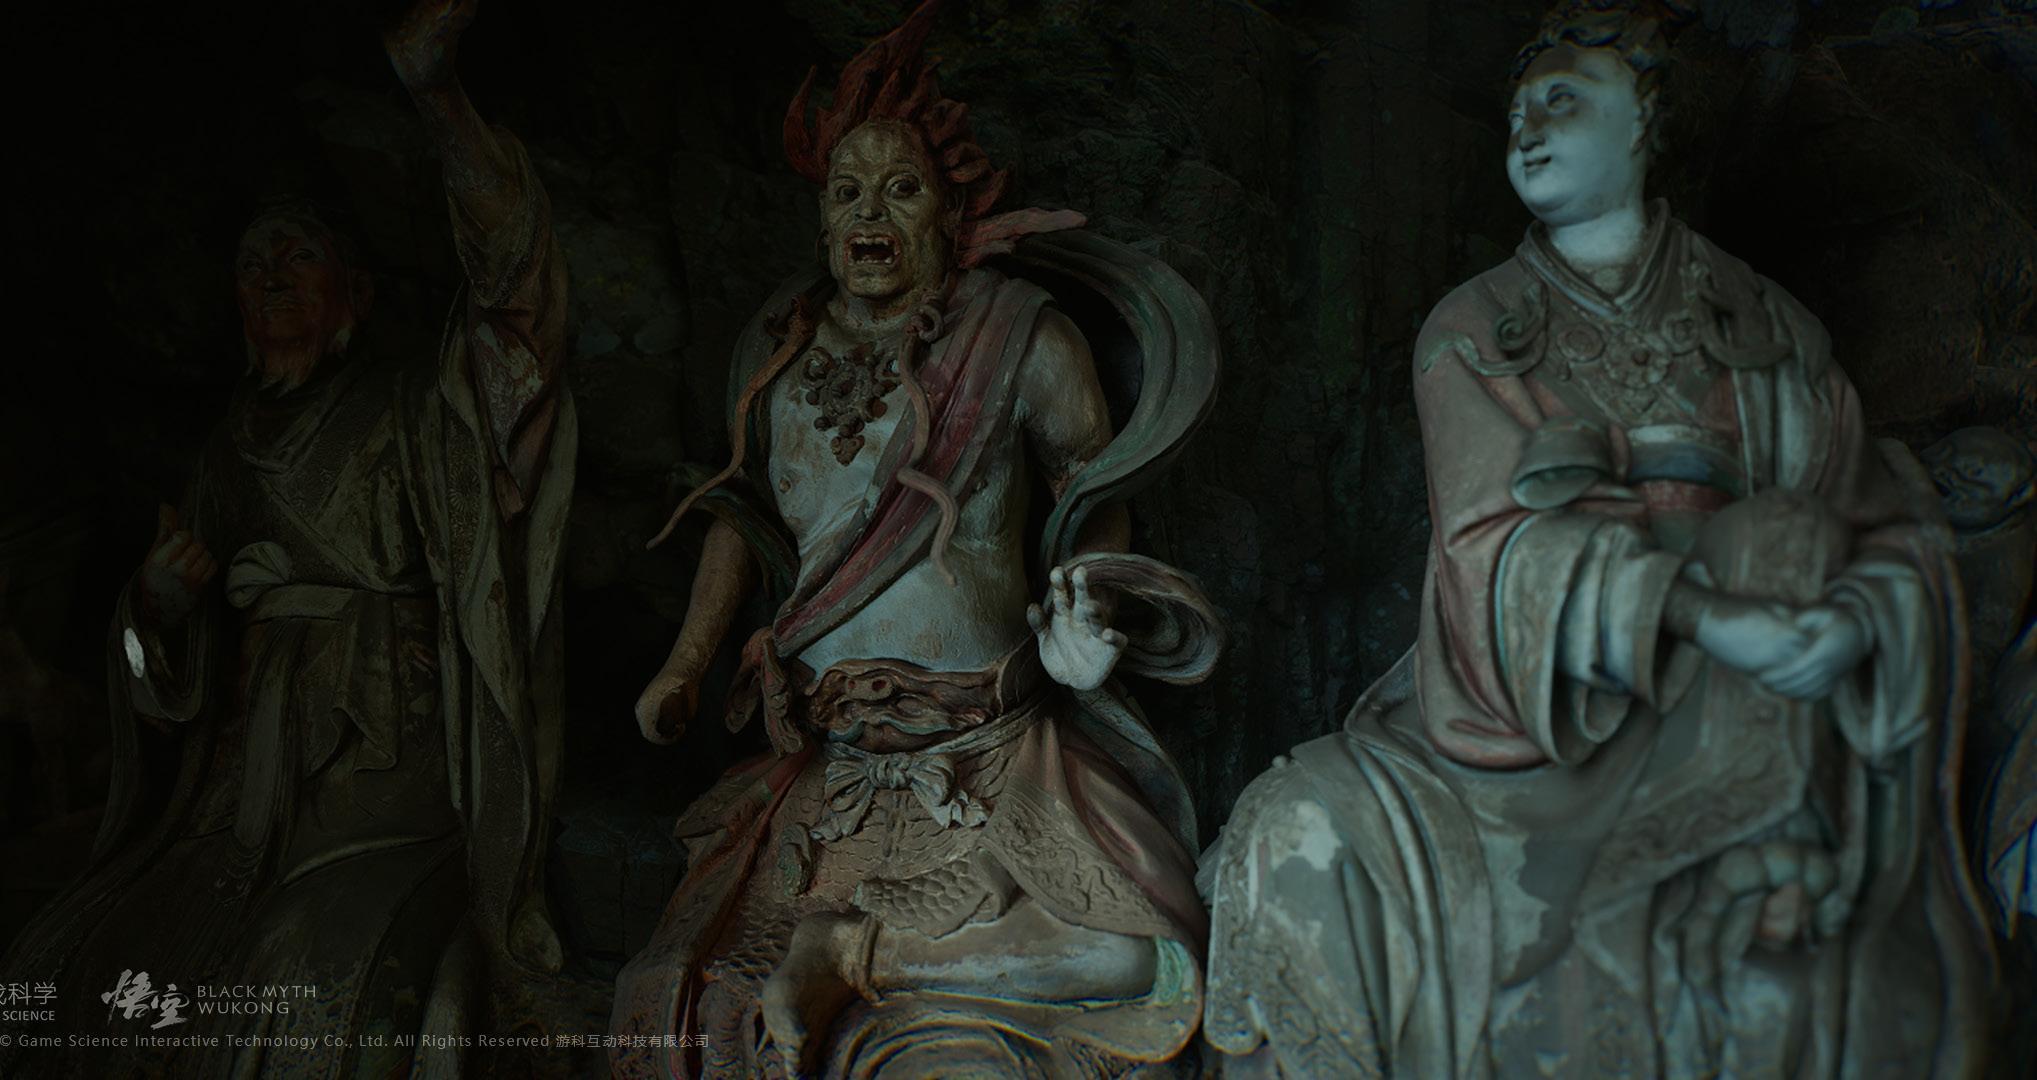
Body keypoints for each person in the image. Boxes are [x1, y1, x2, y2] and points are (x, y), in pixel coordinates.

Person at [1200, 3, 1997, 1076]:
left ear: (1646, 120)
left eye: (1563, 102)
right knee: (1291, 820)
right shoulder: (1475, 325)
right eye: (1517, 114)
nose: (1528, 131)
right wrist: (1704, 616)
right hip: (1524, 716)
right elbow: (1489, 547)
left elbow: (1871, 520)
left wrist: (1849, 623)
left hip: (1742, 715)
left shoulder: (1765, 327)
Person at [610, 3, 1222, 1076]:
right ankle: (840, 955)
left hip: (992, 751)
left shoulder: (1023, 336)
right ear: (820, 220)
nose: (870, 212)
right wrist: (685, 664)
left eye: (899, 187)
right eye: (846, 192)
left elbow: (1093, 493)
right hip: (830, 766)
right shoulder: (776, 353)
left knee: (1143, 959)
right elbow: (738, 514)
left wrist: (1089, 614)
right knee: (678, 1008)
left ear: (948, 208)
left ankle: (860, 957)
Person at [0, 1, 573, 1074]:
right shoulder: (223, 452)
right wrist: (157, 612)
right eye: (251, 262)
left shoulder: (417, 407)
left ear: (355, 292)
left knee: (306, 971)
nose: (268, 276)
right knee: (70, 960)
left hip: (384, 769)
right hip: (236, 788)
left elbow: (516, 301)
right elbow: (157, 683)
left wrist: (438, 100)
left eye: (297, 255)